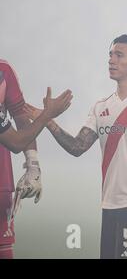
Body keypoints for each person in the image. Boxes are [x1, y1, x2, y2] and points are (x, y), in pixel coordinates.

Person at [24, 35, 127, 259]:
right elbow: (77, 147)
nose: (111, 60)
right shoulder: (101, 107)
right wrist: (47, 120)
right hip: (109, 205)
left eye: (119, 55)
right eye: (110, 55)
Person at [0, 59, 72, 259]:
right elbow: (16, 142)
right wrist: (48, 113)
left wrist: (33, 166)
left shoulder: (3, 70)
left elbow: (20, 115)